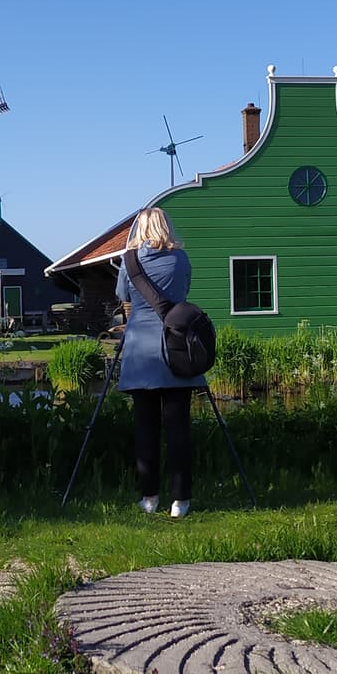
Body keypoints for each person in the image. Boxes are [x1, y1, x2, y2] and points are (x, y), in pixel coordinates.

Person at [114, 206, 205, 517]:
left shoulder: (129, 261)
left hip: (141, 353)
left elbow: (122, 294)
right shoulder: (181, 260)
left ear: (140, 228)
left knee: (145, 428)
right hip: (177, 350)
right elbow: (183, 293)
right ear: (167, 227)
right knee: (179, 429)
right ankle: (180, 500)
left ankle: (149, 497)